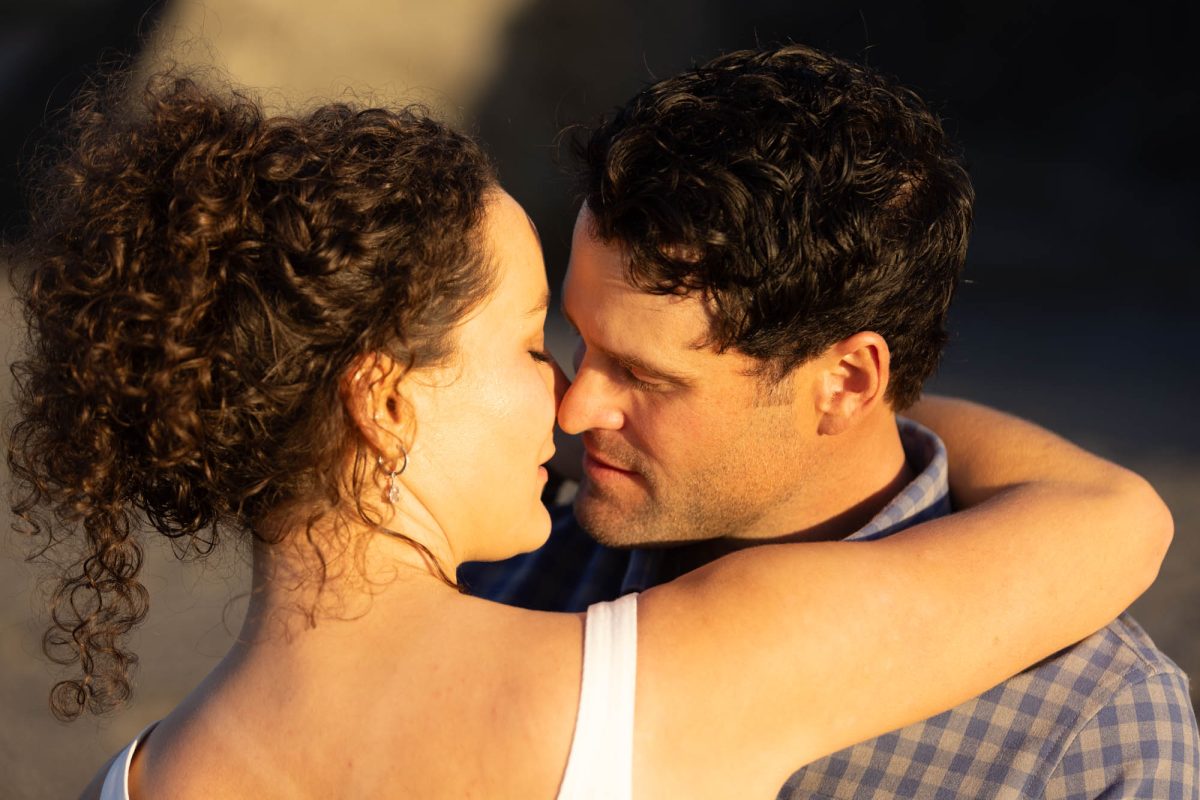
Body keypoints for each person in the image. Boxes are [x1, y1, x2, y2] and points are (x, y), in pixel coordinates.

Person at [5, 73, 1169, 800]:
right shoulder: (671, 674)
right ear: (385, 398)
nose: (568, 403)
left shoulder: (144, 774)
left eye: (639, 371)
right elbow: (1119, 518)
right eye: (537, 342)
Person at [461, 44, 1200, 798]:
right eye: (578, 341)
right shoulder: (493, 568)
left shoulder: (1088, 737)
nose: (575, 407)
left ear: (846, 382)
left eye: (646, 377)